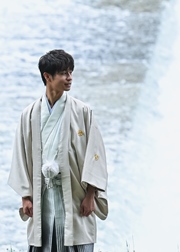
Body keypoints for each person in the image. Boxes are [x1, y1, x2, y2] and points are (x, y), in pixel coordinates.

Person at [9, 49, 109, 252]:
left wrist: (91, 195)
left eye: (71, 72)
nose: (69, 78)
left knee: (76, 239)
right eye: (64, 73)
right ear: (47, 77)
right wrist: (26, 196)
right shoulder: (29, 115)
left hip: (75, 194)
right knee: (44, 241)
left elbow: (95, 155)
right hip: (43, 194)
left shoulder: (82, 112)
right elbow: (20, 156)